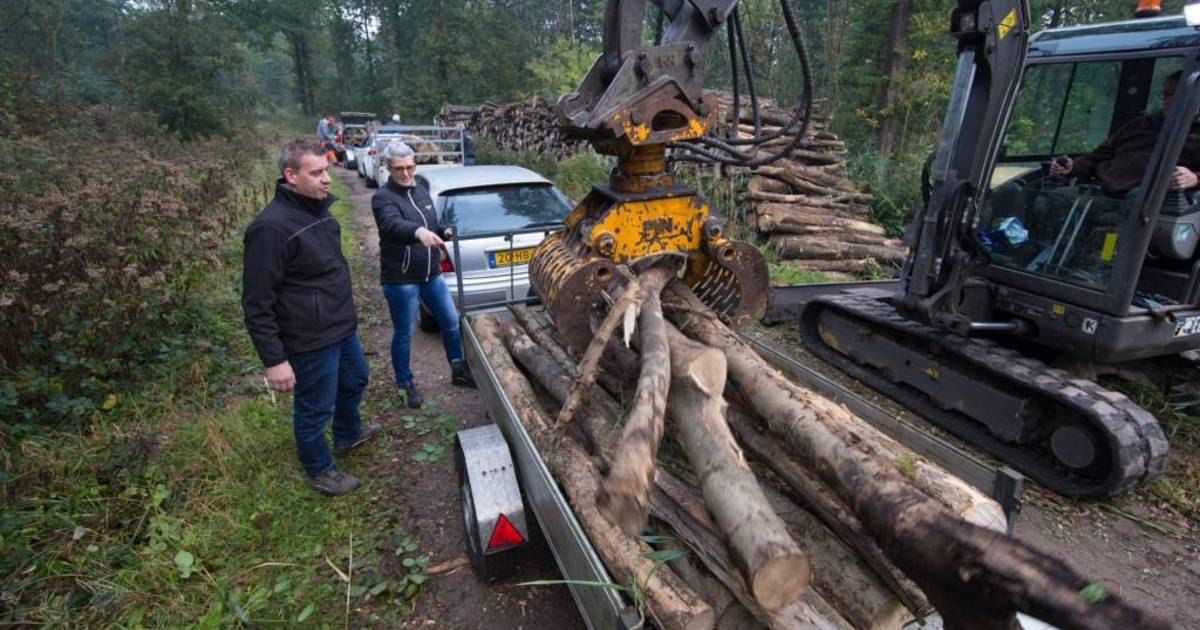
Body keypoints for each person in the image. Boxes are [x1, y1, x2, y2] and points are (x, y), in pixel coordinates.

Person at [242, 139, 380, 496]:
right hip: (309, 337)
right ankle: (319, 468)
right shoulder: (270, 228)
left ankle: (348, 435)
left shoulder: (316, 211)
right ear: (290, 176)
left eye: (326, 171)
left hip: (340, 326)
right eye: (316, 173)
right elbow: (257, 301)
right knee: (316, 406)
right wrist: (274, 361)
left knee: (355, 380)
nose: (326, 180)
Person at [371, 141, 476, 409]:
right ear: (388, 168)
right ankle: (405, 384)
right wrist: (417, 232)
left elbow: (431, 225)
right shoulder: (383, 198)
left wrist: (443, 232)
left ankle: (458, 369)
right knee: (404, 332)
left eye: (409, 167)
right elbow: (392, 225)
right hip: (401, 278)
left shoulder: (421, 192)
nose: (405, 174)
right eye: (399, 169)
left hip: (431, 273)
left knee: (451, 322)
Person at [1050, 71, 1200, 194]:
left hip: (1150, 200)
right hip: (1104, 189)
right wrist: (1073, 165)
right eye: (1164, 95)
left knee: (1136, 201)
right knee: (1060, 196)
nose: (1165, 100)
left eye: (1171, 95)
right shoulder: (1140, 125)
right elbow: (1098, 156)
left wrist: (1194, 178)